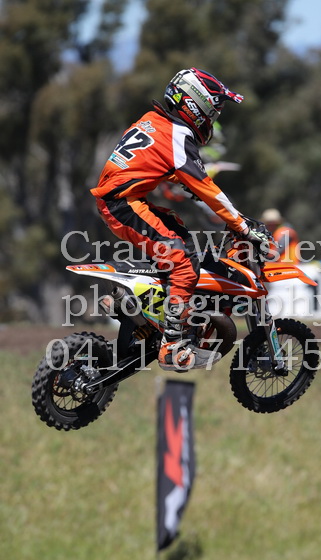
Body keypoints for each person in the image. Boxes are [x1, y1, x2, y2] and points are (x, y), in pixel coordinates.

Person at [90, 67, 269, 371]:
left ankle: (145, 311)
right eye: (212, 111)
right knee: (182, 261)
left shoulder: (153, 121)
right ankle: (173, 343)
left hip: (123, 199)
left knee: (180, 236)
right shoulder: (178, 135)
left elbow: (165, 169)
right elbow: (207, 188)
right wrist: (242, 225)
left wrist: (197, 193)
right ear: (194, 106)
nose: (213, 118)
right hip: (123, 204)